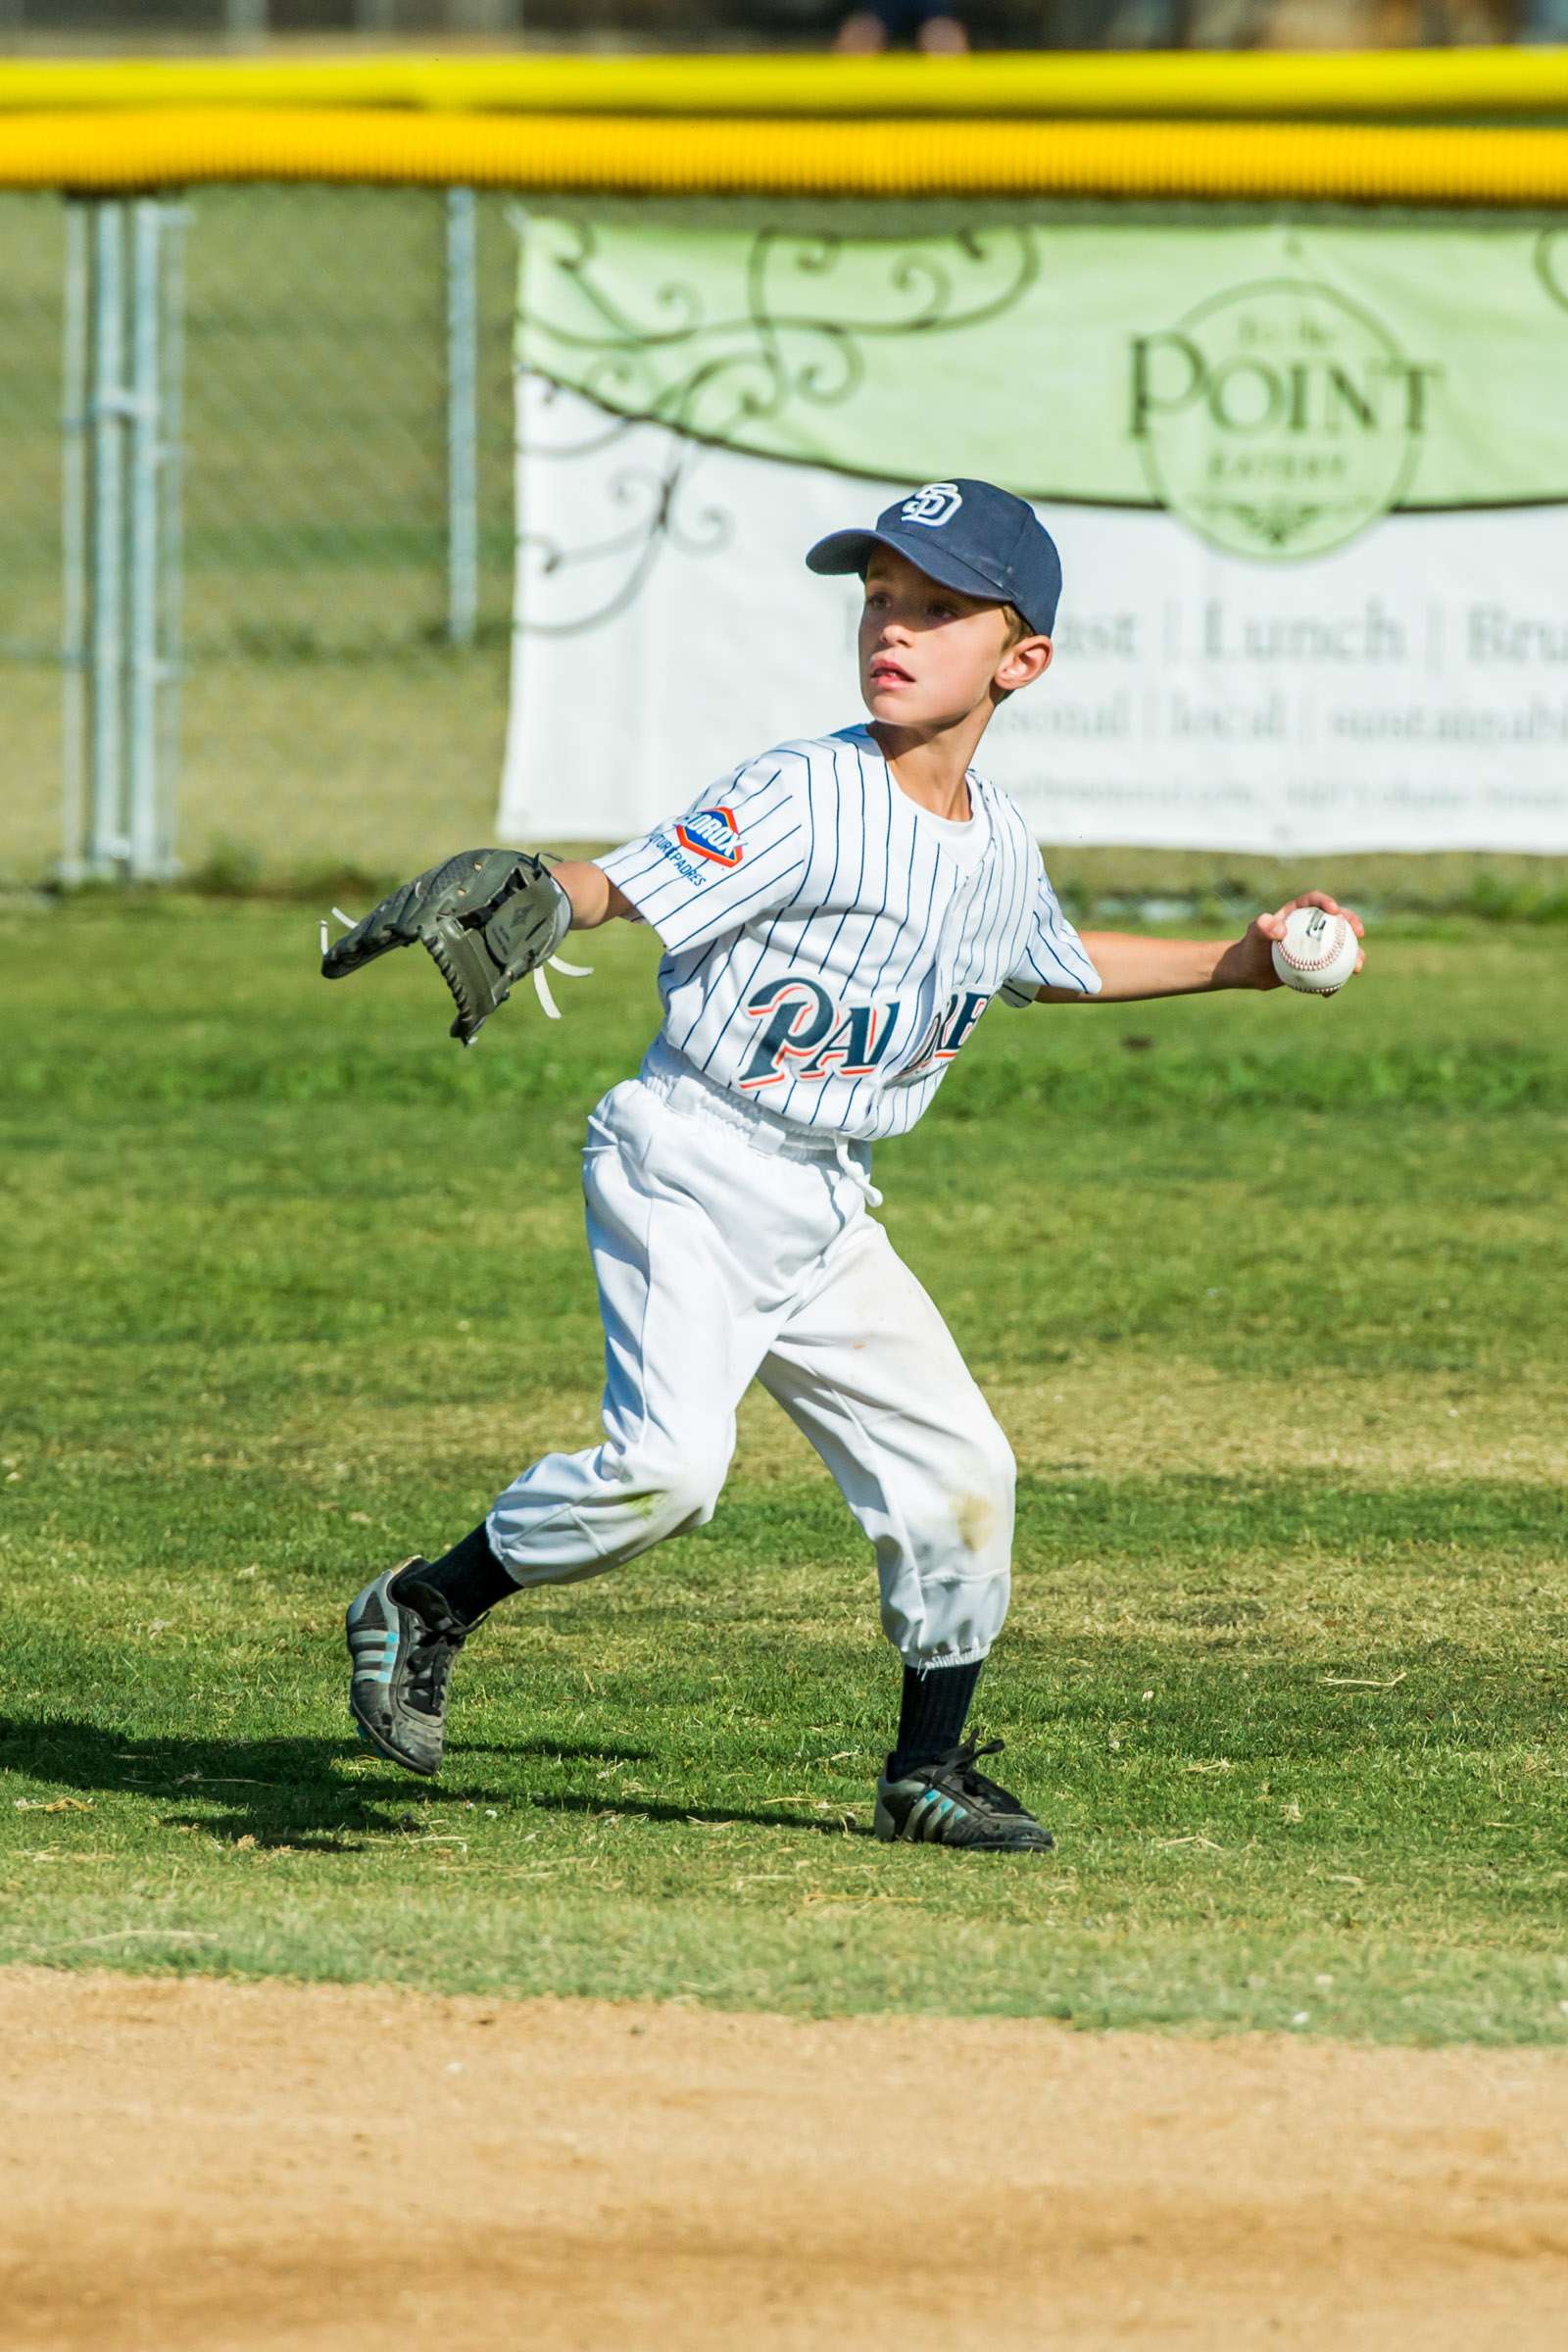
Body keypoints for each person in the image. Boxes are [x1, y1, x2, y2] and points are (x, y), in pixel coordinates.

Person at [344, 477, 1364, 1852]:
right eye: (879, 597)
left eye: (938, 608)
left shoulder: (994, 842)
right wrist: (548, 887)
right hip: (691, 1160)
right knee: (668, 1478)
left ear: (1022, 660)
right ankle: (430, 1602)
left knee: (964, 1471)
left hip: (827, 1203)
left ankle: (926, 1770)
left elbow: (1050, 964)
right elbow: (631, 879)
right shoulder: (806, 790)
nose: (893, 627)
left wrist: (1236, 965)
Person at [835, 2, 970, 54]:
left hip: (931, 6)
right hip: (881, 7)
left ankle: (951, 106)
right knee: (859, 35)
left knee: (944, 36)